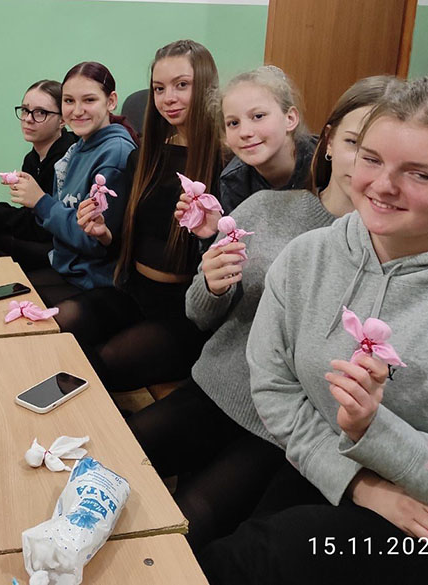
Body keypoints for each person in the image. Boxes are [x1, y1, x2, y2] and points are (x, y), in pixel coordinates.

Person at [201, 72, 428, 585]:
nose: (383, 186)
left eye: (419, 174)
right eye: (372, 158)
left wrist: (372, 430)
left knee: (252, 559)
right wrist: (360, 482)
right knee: (222, 553)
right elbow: (273, 387)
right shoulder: (306, 258)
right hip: (331, 478)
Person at [127, 76, 402, 550]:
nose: (368, 166)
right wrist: (212, 284)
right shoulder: (264, 206)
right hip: (214, 387)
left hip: (279, 430)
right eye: (356, 144)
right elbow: (200, 315)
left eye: (387, 156)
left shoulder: (383, 254)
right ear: (329, 141)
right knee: (114, 460)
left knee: (186, 527)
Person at [57, 40, 221, 392]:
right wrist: (103, 232)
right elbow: (126, 241)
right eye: (159, 89)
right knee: (57, 324)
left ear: (206, 87)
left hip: (185, 312)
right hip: (133, 292)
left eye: (182, 85)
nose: (168, 98)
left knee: (99, 366)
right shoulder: (146, 154)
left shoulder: (224, 161)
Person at [12, 62, 138, 306]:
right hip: (69, 268)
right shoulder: (78, 147)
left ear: (111, 101)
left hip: (98, 280)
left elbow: (94, 240)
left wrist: (41, 201)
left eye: (89, 100)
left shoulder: (115, 154)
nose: (77, 111)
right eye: (69, 101)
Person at [0, 79, 77, 270]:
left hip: (60, 247)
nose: (28, 119)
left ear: (62, 120)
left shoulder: (67, 159)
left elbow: (42, 228)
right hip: (41, 236)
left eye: (40, 113)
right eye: (25, 110)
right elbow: (29, 215)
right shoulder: (32, 159)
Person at [217, 65, 316, 215]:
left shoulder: (325, 163)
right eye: (233, 123)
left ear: (290, 118)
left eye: (258, 116)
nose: (244, 133)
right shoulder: (234, 181)